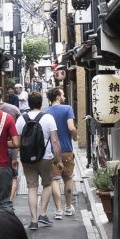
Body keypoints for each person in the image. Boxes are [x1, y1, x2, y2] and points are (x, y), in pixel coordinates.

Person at [18, 96, 62, 231]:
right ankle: (43, 214)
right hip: (45, 157)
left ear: (28, 103)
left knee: (32, 188)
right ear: (41, 102)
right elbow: (55, 141)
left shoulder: (21, 119)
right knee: (47, 184)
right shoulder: (48, 118)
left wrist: (15, 158)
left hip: (26, 158)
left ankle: (33, 220)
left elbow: (18, 141)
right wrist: (58, 160)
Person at [45, 88, 79, 217]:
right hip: (66, 150)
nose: (64, 96)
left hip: (52, 152)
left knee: (54, 180)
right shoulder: (67, 109)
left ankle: (58, 210)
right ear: (58, 96)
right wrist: (75, 137)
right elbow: (71, 127)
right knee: (68, 178)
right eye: (63, 94)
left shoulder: (46, 112)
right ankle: (69, 207)